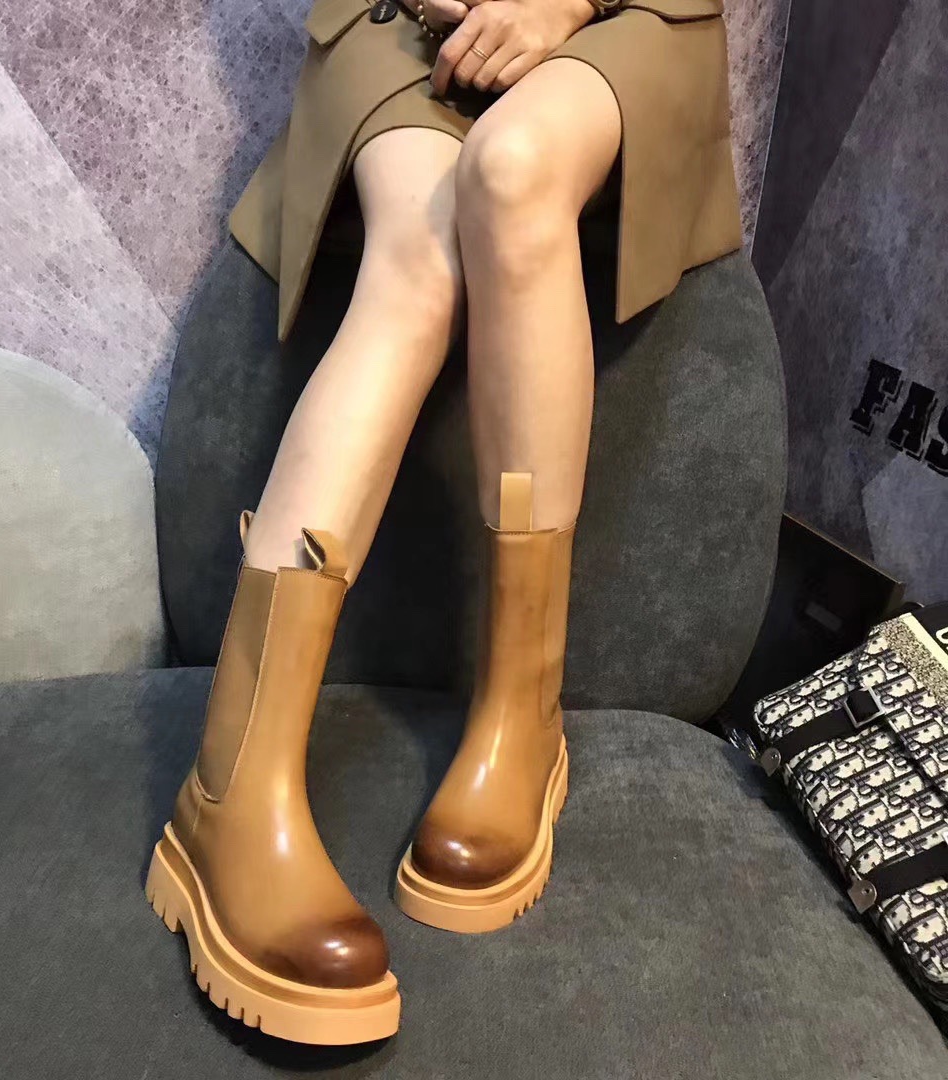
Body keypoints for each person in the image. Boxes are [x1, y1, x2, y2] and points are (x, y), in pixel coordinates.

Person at [144, 0, 743, 1046]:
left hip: (631, 18)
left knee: (513, 171)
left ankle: (521, 720)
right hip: (405, 19)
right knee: (418, 259)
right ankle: (231, 793)